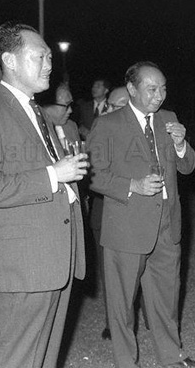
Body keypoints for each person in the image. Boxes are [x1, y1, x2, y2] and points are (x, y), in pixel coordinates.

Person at [0, 21, 88, 368]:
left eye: (49, 56)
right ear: (10, 61)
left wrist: (66, 177)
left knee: (43, 358)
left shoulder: (38, 114)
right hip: (23, 263)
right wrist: (53, 174)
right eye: (40, 56)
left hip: (53, 257)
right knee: (15, 359)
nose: (49, 63)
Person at [87, 61, 195, 368]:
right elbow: (93, 175)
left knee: (166, 298)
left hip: (167, 224)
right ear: (132, 89)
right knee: (122, 304)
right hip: (127, 227)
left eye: (163, 88)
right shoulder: (109, 125)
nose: (159, 95)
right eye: (152, 88)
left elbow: (189, 165)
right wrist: (132, 185)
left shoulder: (169, 119)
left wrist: (181, 145)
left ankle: (172, 357)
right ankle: (126, 362)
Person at [88, 84, 131, 340]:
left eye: (120, 105)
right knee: (111, 274)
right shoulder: (102, 128)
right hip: (106, 213)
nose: (113, 110)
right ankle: (112, 323)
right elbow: (94, 172)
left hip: (138, 215)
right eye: (111, 105)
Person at [41, 83, 79, 151]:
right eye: (66, 105)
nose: (70, 110)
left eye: (71, 104)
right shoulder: (36, 129)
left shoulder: (71, 127)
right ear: (47, 106)